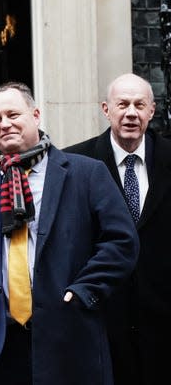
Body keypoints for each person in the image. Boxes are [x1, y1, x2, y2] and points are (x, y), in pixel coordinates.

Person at [0, 82, 139, 385]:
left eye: (13, 114)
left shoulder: (86, 174)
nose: (5, 124)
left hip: (69, 337)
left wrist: (85, 290)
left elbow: (122, 242)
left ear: (36, 115)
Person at [65, 73, 171, 385]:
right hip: (102, 318)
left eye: (139, 105)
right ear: (106, 109)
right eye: (122, 104)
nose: (131, 113)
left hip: (164, 323)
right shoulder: (74, 163)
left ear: (151, 111)